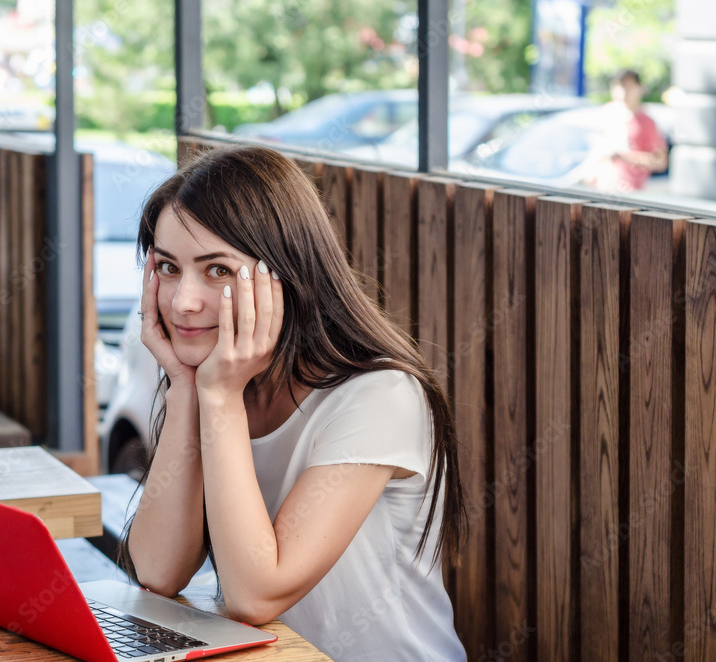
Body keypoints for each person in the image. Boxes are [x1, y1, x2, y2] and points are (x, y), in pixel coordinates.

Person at [118, 145, 467, 661]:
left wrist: (217, 395)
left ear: (284, 274)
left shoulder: (379, 395)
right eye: (168, 267)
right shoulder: (211, 379)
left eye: (217, 271)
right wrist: (189, 390)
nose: (183, 301)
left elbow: (255, 594)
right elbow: (157, 570)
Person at [586, 69, 668, 193]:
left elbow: (660, 162)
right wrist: (590, 170)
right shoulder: (607, 113)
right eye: (619, 85)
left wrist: (623, 156)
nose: (623, 91)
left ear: (640, 88)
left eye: (628, 86)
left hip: (631, 194)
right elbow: (596, 149)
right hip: (602, 190)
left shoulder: (647, 123)